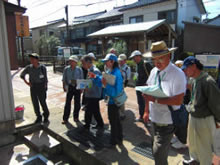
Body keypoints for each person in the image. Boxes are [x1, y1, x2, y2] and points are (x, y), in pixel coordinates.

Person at [143, 41, 186, 165]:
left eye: (160, 58)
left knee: (158, 153)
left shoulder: (177, 74)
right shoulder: (154, 71)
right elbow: (147, 90)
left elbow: (178, 100)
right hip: (153, 118)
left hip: (168, 121)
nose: (157, 62)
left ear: (169, 56)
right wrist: (146, 110)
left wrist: (155, 100)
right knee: (156, 151)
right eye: (154, 59)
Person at [181, 56, 220, 165]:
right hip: (194, 115)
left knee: (204, 146)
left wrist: (218, 121)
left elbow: (216, 103)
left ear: (194, 66)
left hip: (204, 119)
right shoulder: (194, 79)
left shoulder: (208, 81)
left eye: (186, 68)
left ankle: (205, 163)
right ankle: (195, 160)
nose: (185, 71)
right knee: (193, 142)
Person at [91, 53, 123, 147]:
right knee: (116, 120)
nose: (105, 63)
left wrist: (105, 84)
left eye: (106, 61)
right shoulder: (111, 71)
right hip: (112, 100)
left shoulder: (116, 73)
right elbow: (103, 81)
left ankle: (113, 141)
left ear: (112, 61)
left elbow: (117, 90)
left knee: (113, 121)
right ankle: (119, 138)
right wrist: (95, 77)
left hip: (114, 100)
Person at [20, 53, 49, 124]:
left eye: (33, 59)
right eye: (31, 59)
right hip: (33, 86)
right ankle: (38, 116)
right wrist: (27, 82)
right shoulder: (29, 67)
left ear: (37, 60)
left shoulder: (42, 67)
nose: (32, 60)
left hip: (41, 86)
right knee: (35, 102)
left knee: (42, 102)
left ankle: (46, 116)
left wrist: (45, 86)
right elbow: (22, 75)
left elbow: (45, 78)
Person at [82, 55, 104, 130]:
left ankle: (87, 125)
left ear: (88, 62)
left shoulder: (95, 71)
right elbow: (89, 81)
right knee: (95, 110)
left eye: (83, 63)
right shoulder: (90, 70)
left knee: (88, 110)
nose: (82, 65)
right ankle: (100, 124)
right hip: (90, 94)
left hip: (94, 94)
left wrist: (86, 86)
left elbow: (99, 82)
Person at [129, 50, 152, 122]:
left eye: (134, 57)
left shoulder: (146, 64)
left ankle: (147, 117)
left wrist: (148, 85)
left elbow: (152, 75)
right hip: (138, 86)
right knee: (140, 102)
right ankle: (141, 116)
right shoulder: (137, 65)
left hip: (145, 87)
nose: (133, 59)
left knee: (146, 102)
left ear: (139, 56)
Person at [62, 55, 83, 124]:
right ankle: (65, 118)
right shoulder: (66, 69)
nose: (71, 62)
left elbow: (81, 79)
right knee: (68, 103)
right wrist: (64, 86)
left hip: (77, 87)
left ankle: (76, 117)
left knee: (77, 103)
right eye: (70, 61)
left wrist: (81, 88)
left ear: (76, 62)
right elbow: (64, 79)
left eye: (72, 61)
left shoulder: (79, 69)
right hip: (70, 86)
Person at [118, 54, 131, 120]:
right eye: (119, 61)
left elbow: (127, 78)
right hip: (116, 84)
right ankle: (118, 112)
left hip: (121, 84)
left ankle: (122, 113)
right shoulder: (117, 67)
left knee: (121, 98)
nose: (120, 62)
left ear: (125, 61)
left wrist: (124, 85)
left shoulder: (127, 68)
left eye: (121, 61)